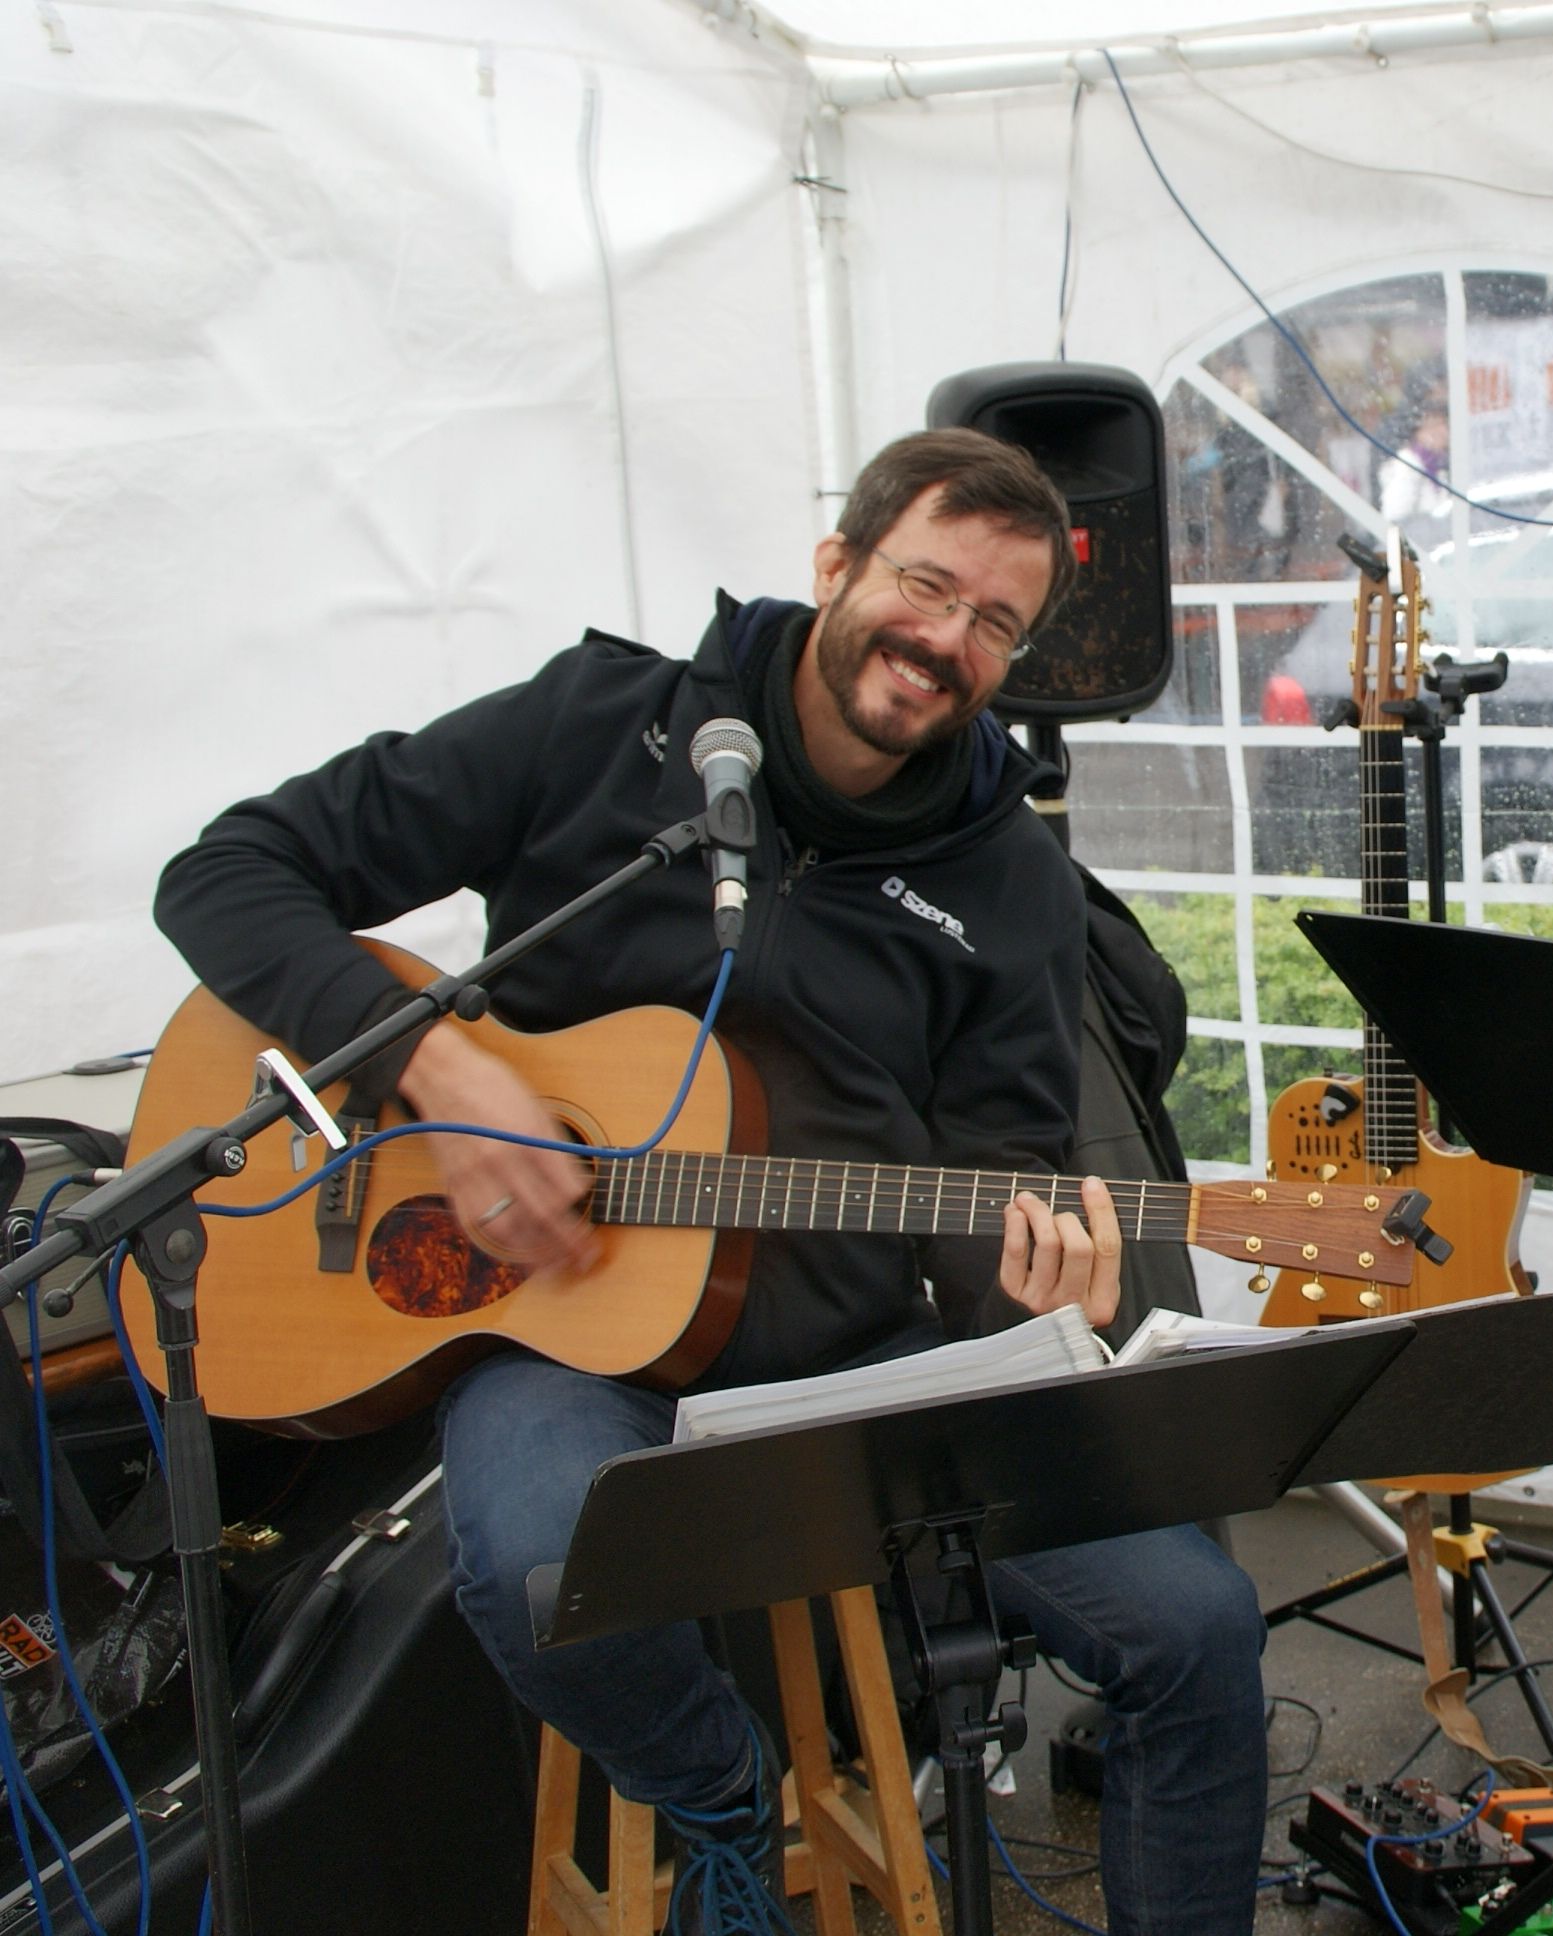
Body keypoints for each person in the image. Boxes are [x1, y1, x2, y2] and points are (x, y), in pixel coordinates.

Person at [154, 430, 1266, 1936]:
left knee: (1198, 1625)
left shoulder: (1008, 878)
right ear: (837, 564)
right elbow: (226, 872)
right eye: (926, 586)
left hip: (858, 1364)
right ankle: (723, 1797)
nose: (947, 641)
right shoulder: (602, 726)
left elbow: (999, 1171)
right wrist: (435, 1071)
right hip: (564, 1342)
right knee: (537, 1560)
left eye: (995, 624)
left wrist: (1038, 1285)